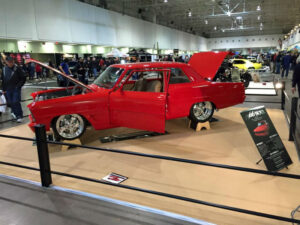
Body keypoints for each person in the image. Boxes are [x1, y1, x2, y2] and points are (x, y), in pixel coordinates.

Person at [1, 56, 26, 122]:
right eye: (9, 62)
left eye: (12, 62)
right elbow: (3, 80)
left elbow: (23, 78)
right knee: (11, 102)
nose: (11, 63)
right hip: (8, 89)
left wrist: (18, 86)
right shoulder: (4, 69)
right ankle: (15, 113)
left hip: (16, 89)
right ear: (6, 62)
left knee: (16, 101)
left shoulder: (17, 68)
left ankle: (19, 115)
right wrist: (3, 89)